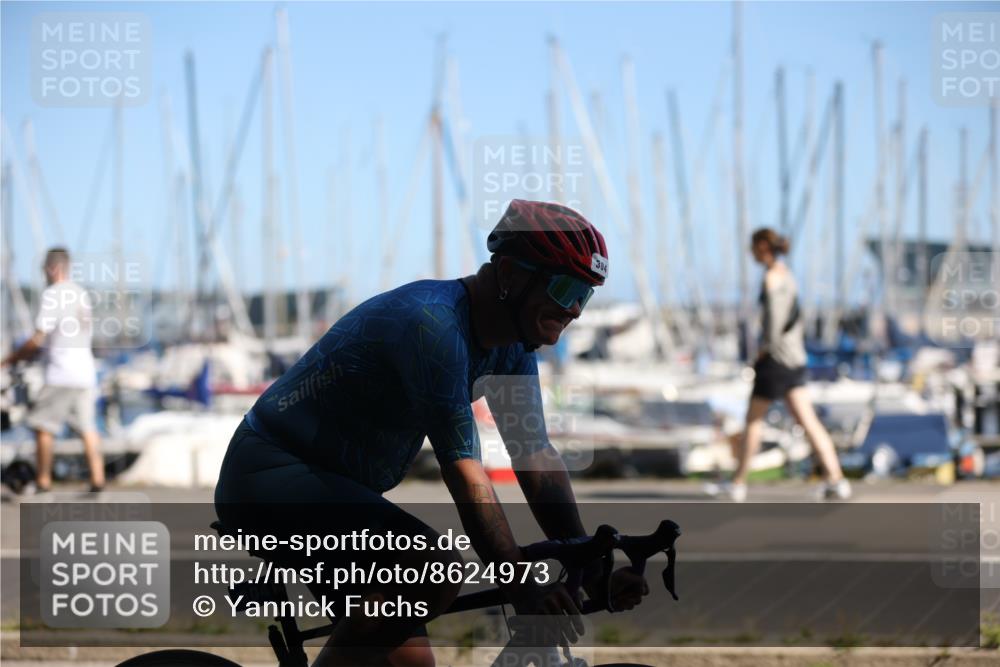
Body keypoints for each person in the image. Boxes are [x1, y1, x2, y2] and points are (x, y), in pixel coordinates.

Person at [215, 200, 648, 667]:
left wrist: (593, 564)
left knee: (411, 664)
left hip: (333, 490)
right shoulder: (432, 325)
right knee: (434, 568)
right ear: (509, 275)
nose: (575, 310)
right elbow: (466, 475)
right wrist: (520, 584)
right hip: (268, 475)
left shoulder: (512, 346)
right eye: (565, 288)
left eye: (585, 294)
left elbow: (536, 458)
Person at [709, 228, 851, 502]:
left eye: (752, 247)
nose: (750, 253)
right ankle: (837, 480)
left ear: (763, 246)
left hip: (775, 361)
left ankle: (737, 485)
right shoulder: (788, 275)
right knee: (809, 421)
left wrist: (763, 351)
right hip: (795, 359)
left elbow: (773, 324)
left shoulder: (771, 278)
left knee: (753, 421)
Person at [1, 247, 105, 493]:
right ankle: (98, 479)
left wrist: (9, 359)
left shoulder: (53, 294)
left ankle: (43, 480)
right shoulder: (81, 294)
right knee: (88, 428)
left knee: (43, 426)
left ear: (52, 268)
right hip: (85, 373)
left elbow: (38, 337)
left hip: (60, 372)